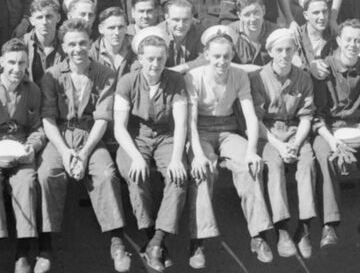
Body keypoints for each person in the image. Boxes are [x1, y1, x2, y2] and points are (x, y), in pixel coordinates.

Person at [37, 19, 128, 273]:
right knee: (46, 174)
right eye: (72, 44)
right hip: (61, 136)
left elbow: (102, 117)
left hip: (91, 135)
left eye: (82, 43)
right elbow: (48, 118)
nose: (78, 49)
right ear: (63, 47)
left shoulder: (105, 74)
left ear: (90, 44)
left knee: (107, 173)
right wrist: (66, 153)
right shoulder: (51, 75)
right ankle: (46, 245)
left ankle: (117, 241)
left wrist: (85, 153)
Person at [185, 25, 273, 268]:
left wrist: (252, 150)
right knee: (204, 171)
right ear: (206, 55)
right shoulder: (194, 77)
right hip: (200, 130)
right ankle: (198, 240)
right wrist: (198, 154)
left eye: (226, 56)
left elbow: (250, 115)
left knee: (249, 166)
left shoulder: (239, 75)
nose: (221, 62)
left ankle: (258, 236)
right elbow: (190, 120)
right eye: (216, 56)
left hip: (228, 130)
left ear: (232, 55)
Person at [113, 27, 188, 271]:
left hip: (166, 136)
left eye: (160, 59)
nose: (155, 64)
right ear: (140, 59)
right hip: (136, 137)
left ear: (166, 58)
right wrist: (136, 157)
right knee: (136, 176)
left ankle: (157, 242)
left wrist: (177, 159)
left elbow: (181, 123)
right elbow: (119, 128)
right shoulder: (127, 81)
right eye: (150, 59)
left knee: (178, 178)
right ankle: (149, 238)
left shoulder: (176, 81)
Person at [312, 19, 360, 250]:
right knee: (326, 157)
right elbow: (316, 115)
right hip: (329, 131)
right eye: (348, 39)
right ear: (338, 41)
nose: (352, 45)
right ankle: (330, 225)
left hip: (358, 130)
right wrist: (332, 140)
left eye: (357, 40)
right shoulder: (323, 69)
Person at [249, 29, 317, 258]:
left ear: (295, 51)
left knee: (307, 163)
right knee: (274, 167)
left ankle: (304, 228)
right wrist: (279, 146)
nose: (284, 55)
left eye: (289, 50)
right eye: (279, 50)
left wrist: (296, 145)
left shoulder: (303, 77)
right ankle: (283, 230)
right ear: (269, 52)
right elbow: (255, 121)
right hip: (267, 132)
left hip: (295, 131)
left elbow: (307, 116)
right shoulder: (258, 77)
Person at [0, 39, 45, 273]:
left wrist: (32, 147)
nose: (16, 69)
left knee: (27, 183)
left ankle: (23, 252)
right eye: (11, 62)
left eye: (21, 63)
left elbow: (37, 127)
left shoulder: (33, 90)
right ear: (1, 62)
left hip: (19, 149)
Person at [292, 0, 336, 80]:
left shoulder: (334, 35)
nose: (322, 17)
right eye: (316, 13)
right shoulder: (296, 36)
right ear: (306, 15)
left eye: (324, 11)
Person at [24, 0, 65, 85]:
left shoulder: (67, 43)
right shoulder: (22, 44)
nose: (44, 22)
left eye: (49, 16)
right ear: (32, 21)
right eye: (39, 17)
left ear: (58, 18)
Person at [229, 0, 277, 67]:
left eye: (256, 12)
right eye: (247, 15)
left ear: (263, 10)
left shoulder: (276, 32)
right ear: (239, 16)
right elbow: (220, 63)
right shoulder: (229, 33)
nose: (253, 19)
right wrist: (248, 69)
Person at [158, 0, 204, 73]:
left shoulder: (200, 31)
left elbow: (207, 58)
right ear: (167, 18)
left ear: (192, 18)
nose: (181, 25)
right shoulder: (157, 34)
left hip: (190, 76)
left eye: (185, 20)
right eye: (176, 20)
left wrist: (182, 68)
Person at [90, 7, 136, 79]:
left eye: (120, 27)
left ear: (126, 28)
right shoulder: (91, 53)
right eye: (111, 28)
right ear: (101, 29)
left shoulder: (136, 48)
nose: (117, 32)